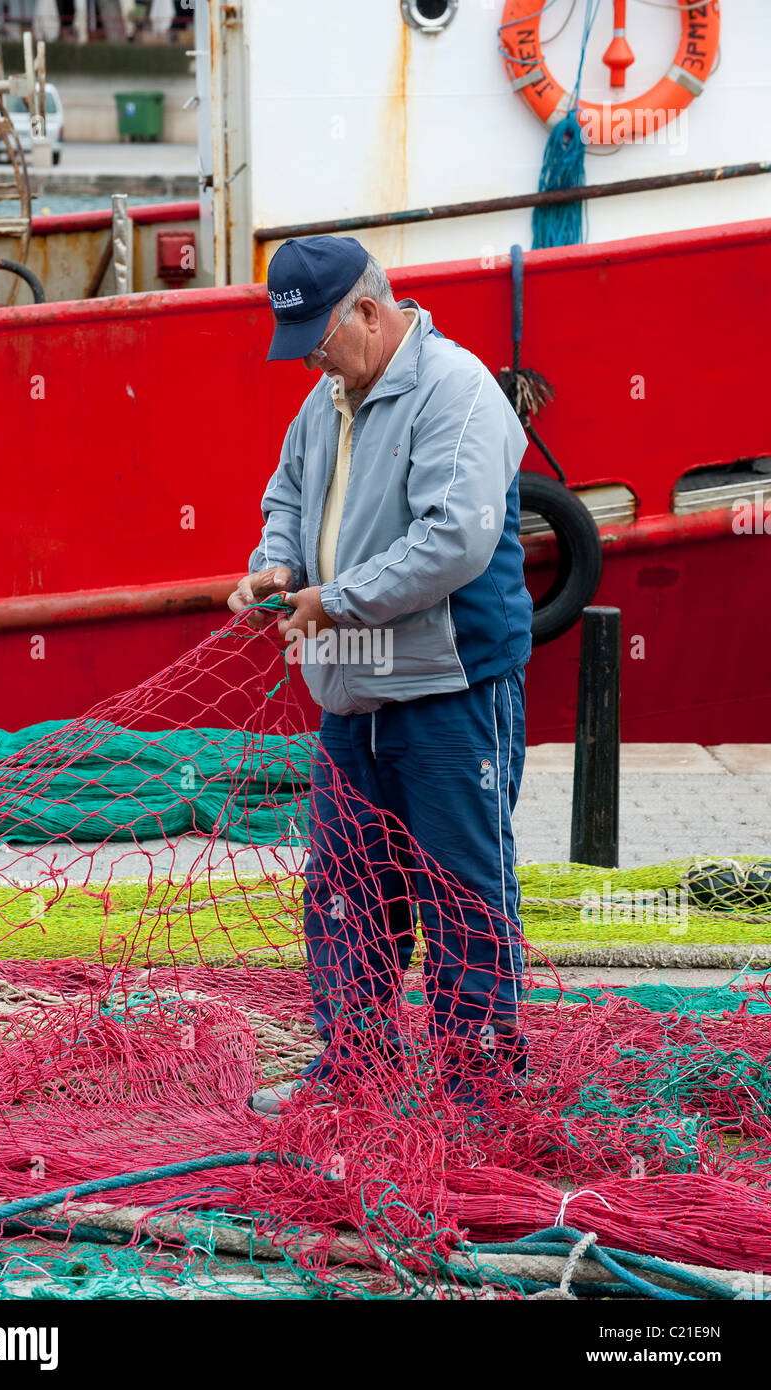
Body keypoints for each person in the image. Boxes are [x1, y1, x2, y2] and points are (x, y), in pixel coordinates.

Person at [229, 234, 533, 1116]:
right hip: (351, 693)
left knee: (462, 892)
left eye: (319, 343)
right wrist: (278, 569)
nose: (313, 364)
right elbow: (286, 498)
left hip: (450, 689)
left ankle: (477, 1091)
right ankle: (354, 1068)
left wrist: (335, 602)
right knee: (347, 889)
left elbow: (455, 541)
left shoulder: (460, 392)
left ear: (368, 310)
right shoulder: (326, 402)